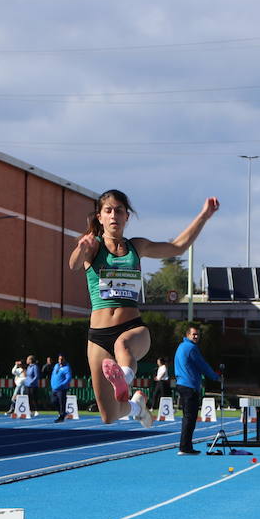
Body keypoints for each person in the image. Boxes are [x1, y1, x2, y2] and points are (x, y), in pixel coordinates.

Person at [68, 189, 219, 428]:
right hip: (98, 336)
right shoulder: (93, 247)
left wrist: (203, 215)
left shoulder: (136, 247)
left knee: (122, 345)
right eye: (108, 211)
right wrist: (81, 246)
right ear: (100, 217)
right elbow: (74, 264)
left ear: (127, 216)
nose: (113, 215)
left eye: (119, 210)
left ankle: (125, 378)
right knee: (109, 415)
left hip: (132, 329)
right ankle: (138, 405)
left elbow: (177, 247)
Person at [174, 323, 220, 454]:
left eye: (197, 334)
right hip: (189, 386)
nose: (196, 336)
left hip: (182, 384)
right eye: (193, 334)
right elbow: (202, 365)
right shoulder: (191, 348)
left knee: (187, 417)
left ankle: (185, 446)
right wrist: (215, 377)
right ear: (187, 335)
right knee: (190, 418)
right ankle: (185, 447)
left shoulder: (181, 346)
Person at [51, 354, 73, 423]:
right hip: (54, 388)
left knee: (61, 403)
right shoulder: (56, 366)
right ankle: (61, 413)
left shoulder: (67, 368)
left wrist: (62, 385)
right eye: (59, 359)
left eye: (62, 359)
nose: (60, 361)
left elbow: (68, 378)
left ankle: (61, 416)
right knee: (53, 401)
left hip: (61, 389)